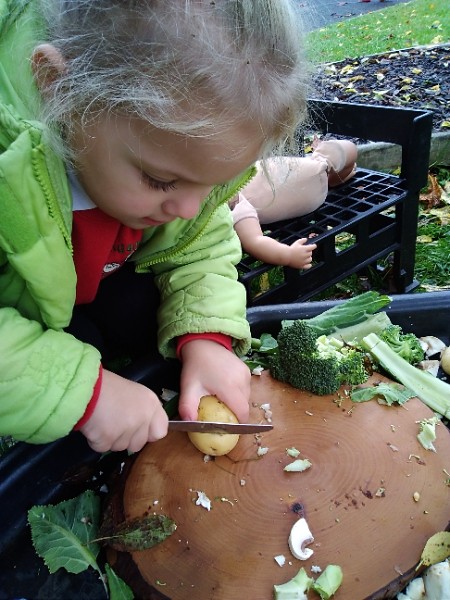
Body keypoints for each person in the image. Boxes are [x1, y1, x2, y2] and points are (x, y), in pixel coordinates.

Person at [0, 0, 309, 454]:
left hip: (87, 284)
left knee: (143, 312)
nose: (188, 208)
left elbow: (202, 243)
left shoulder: (170, 177)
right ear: (58, 87)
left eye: (212, 185)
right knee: (77, 349)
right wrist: (76, 389)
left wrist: (207, 337)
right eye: (161, 180)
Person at [230, 139, 358, 268]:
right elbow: (255, 241)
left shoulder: (232, 189)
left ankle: (336, 176)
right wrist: (288, 255)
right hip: (310, 185)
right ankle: (335, 177)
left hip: (296, 169)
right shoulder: (238, 202)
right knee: (347, 150)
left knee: (345, 151)